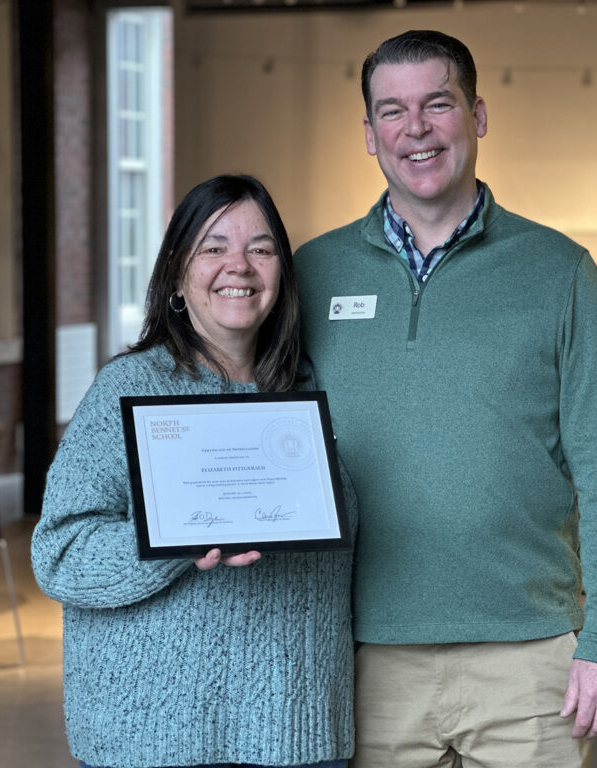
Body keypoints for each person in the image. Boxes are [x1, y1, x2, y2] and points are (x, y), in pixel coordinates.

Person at [294, 30, 597, 768]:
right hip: (363, 653)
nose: (415, 130)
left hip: (528, 657)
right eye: (392, 111)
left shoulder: (559, 272)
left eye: (438, 104)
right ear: (368, 134)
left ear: (478, 116)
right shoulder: (313, 272)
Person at [32, 175, 356, 768]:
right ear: (179, 271)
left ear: (282, 273)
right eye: (213, 247)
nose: (240, 265)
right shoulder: (127, 390)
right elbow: (60, 554)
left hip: (297, 732)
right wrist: (175, 539)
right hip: (152, 737)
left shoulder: (312, 391)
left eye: (261, 248)